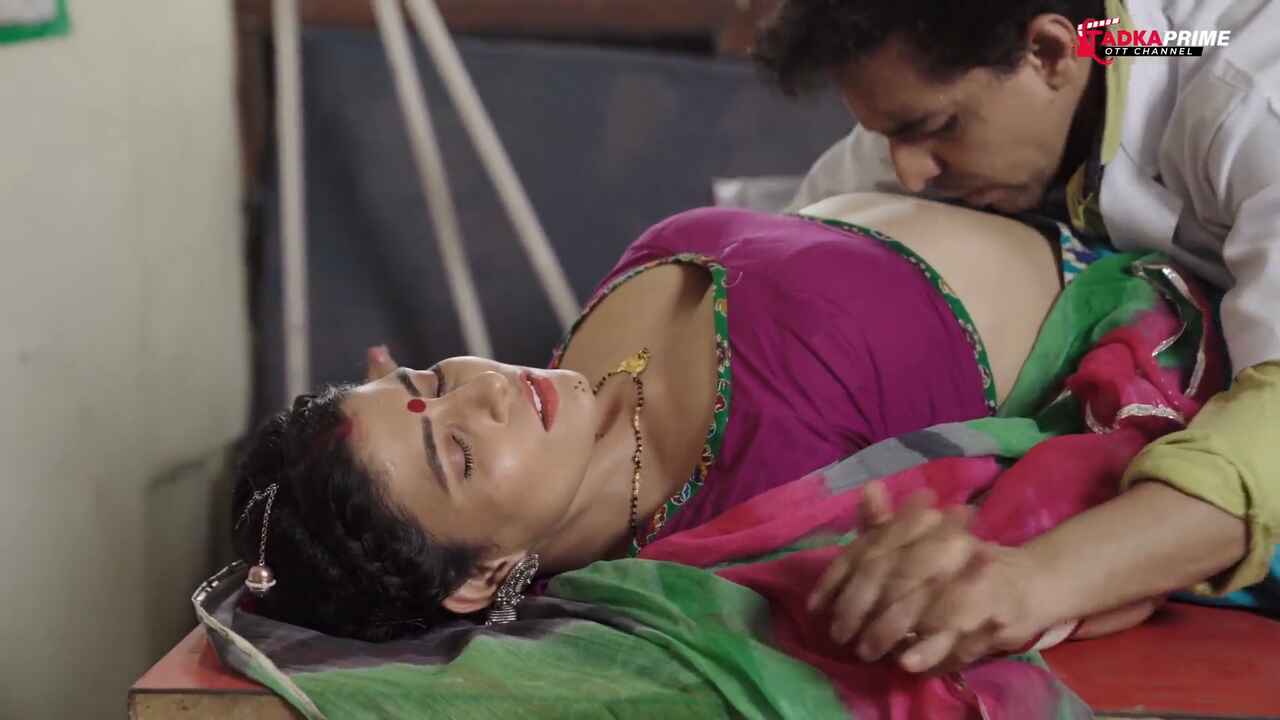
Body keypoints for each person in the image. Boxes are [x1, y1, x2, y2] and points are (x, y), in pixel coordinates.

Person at [231, 196, 1069, 643]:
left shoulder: (573, 384)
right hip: (1115, 209)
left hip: (1020, 164)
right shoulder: (769, 509)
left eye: (432, 378)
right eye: (457, 451)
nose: (485, 391)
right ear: (482, 576)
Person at [752, 0, 1280, 672]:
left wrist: (1034, 583)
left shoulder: (1252, 99)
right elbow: (769, 273)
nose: (911, 171)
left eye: (936, 128)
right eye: (888, 136)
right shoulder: (1083, 53)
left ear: (1049, 54)